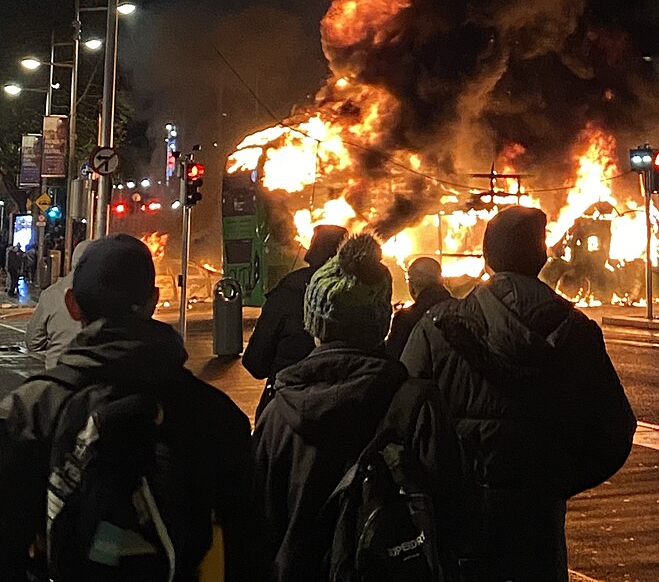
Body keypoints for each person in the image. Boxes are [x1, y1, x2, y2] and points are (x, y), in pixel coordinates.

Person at [0, 233, 263, 579]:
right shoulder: (216, 415)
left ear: (72, 304)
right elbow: (249, 548)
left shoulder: (29, 409)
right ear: (153, 301)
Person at [401, 205, 636, 582]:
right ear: (542, 257)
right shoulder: (577, 331)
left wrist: (439, 488)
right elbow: (614, 428)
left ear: (486, 257)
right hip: (538, 523)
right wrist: (555, 481)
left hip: (459, 526)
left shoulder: (437, 328)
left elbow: (402, 426)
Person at [253, 232, 464, 582]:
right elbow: (456, 512)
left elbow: (258, 525)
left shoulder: (277, 415)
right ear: (382, 322)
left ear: (313, 324)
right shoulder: (415, 402)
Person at [243, 224, 347, 420]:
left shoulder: (288, 292)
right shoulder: (360, 295)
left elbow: (256, 363)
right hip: (347, 412)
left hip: (285, 408)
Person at [25, 239, 92, 368]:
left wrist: (57, 344)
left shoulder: (51, 294)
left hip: (57, 374)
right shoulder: (113, 296)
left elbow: (33, 342)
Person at [385, 256, 452, 360]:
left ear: (412, 284)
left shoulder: (405, 319)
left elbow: (392, 358)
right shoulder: (462, 310)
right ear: (442, 280)